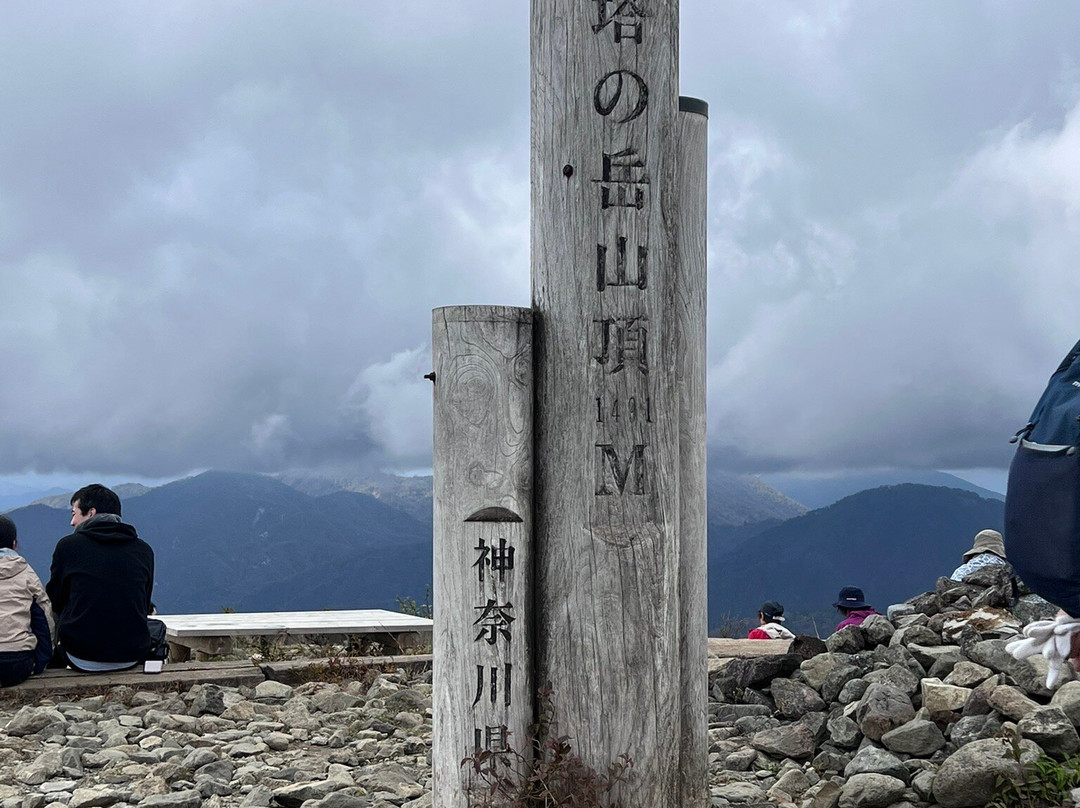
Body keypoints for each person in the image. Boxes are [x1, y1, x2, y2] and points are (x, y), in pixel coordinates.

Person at [47, 484, 155, 672]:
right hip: (131, 654)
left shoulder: (68, 547)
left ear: (91, 513)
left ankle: (49, 661)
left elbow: (55, 600)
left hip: (79, 655)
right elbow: (144, 603)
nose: (72, 522)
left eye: (74, 513)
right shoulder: (143, 550)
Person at [0, 516, 53, 686]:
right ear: (14, 544)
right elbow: (44, 620)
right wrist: (42, 661)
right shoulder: (27, 574)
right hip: (16, 663)